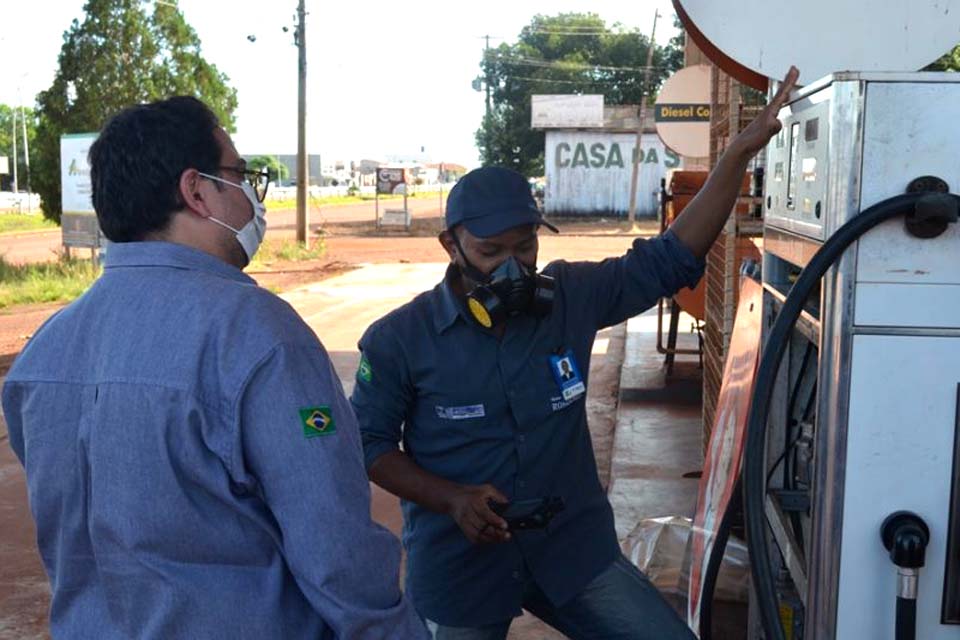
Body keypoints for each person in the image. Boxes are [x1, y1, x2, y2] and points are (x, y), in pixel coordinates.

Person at [350, 68, 800, 639]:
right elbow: (368, 444)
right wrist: (451, 499)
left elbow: (668, 260)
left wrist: (736, 154)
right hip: (463, 566)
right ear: (451, 245)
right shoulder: (399, 339)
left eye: (525, 246)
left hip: (572, 552)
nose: (512, 267)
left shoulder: (569, 298)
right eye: (490, 251)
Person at [2, 96, 427, 639]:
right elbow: (335, 548)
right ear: (197, 191)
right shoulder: (260, 334)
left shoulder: (45, 350)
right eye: (239, 174)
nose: (252, 193)